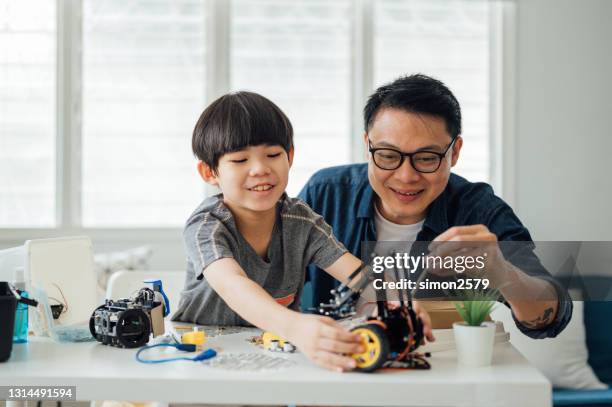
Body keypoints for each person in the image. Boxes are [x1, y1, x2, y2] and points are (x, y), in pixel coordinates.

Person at [171, 91, 434, 372]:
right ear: (210, 172)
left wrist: (399, 301)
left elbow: (359, 274)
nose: (260, 169)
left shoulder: (301, 220)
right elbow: (233, 286)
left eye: (272, 154)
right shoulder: (206, 227)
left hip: (272, 351)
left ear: (290, 156)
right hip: (201, 353)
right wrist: (295, 326)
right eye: (240, 160)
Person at [299, 74, 572, 339]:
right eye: (388, 155)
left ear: (454, 152)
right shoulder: (325, 194)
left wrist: (502, 272)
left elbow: (550, 317)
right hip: (340, 368)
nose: (406, 176)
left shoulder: (478, 211)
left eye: (427, 158)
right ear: (367, 145)